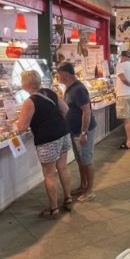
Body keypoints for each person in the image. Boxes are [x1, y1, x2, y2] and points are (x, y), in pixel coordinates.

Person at [15, 70, 73, 219]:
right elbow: (66, 109)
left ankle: (54, 208)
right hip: (63, 132)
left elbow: (22, 127)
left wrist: (15, 124)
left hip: (47, 139)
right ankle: (68, 198)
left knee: (49, 174)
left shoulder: (30, 102)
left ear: (26, 84)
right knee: (63, 167)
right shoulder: (49, 92)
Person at [56, 63, 97, 202]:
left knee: (87, 161)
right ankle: (83, 185)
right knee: (80, 160)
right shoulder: (69, 88)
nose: (57, 76)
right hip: (74, 131)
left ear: (66, 74)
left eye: (58, 73)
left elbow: (87, 111)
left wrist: (84, 132)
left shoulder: (78, 89)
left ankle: (90, 190)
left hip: (83, 131)